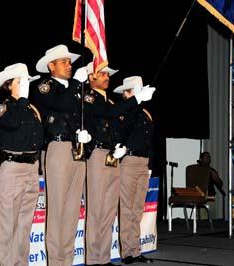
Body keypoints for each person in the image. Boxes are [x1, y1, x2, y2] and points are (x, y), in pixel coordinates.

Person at [83, 64, 155, 266]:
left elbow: (120, 128)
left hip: (112, 155)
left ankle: (103, 258)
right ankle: (94, 258)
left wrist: (118, 146)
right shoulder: (90, 98)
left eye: (108, 74)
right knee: (98, 209)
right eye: (102, 73)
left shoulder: (112, 102)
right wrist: (136, 101)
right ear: (91, 77)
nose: (106, 77)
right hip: (98, 154)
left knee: (107, 211)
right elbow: (111, 114)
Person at [32, 44, 91, 266]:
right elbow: (60, 104)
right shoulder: (45, 86)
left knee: (73, 209)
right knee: (57, 209)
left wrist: (87, 137)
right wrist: (76, 82)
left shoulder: (75, 90)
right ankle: (56, 262)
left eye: (70, 61)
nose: (69, 65)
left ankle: (66, 260)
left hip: (77, 150)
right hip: (57, 149)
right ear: (51, 66)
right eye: (64, 62)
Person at [0, 63, 43, 266]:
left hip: (30, 168)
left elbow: (38, 137)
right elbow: (12, 124)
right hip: (11, 168)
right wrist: (21, 101)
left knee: (24, 225)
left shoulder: (31, 108)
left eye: (27, 81)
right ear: (10, 84)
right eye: (21, 81)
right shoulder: (3, 108)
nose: (26, 85)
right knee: (8, 225)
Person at [113, 76, 154, 264]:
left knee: (138, 209)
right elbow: (122, 129)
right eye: (132, 91)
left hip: (143, 162)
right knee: (127, 209)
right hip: (129, 161)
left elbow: (150, 141)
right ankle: (126, 252)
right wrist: (135, 105)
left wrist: (150, 165)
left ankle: (136, 249)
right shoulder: (126, 113)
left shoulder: (145, 113)